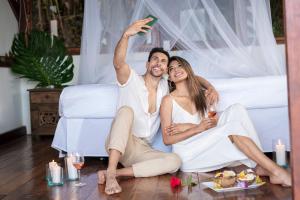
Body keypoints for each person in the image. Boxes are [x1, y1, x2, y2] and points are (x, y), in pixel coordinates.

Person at [97, 19, 219, 195]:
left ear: (166, 71)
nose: (158, 63)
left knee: (174, 162)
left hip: (142, 150)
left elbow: (191, 76)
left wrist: (210, 87)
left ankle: (117, 173)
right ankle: (110, 174)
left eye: (163, 62)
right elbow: (118, 63)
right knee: (125, 111)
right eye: (155, 59)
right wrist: (126, 35)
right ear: (147, 64)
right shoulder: (130, 79)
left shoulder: (165, 86)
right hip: (123, 142)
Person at [160, 56, 291, 186]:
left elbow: (212, 125)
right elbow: (167, 140)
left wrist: (191, 125)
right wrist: (196, 128)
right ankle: (276, 171)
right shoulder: (168, 100)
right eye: (171, 69)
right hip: (189, 153)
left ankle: (259, 165)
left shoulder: (203, 95)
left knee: (237, 109)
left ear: (188, 69)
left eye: (180, 66)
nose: (176, 69)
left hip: (205, 141)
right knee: (232, 127)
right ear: (169, 77)